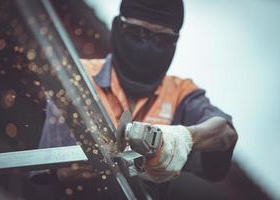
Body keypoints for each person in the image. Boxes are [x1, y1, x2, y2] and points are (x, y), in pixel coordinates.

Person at [32, 0, 238, 199]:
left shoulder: (180, 94)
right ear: (118, 27)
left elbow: (225, 134)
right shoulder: (78, 77)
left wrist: (184, 137)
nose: (148, 45)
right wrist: (113, 164)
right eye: (138, 33)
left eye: (162, 39)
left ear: (174, 42)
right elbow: (52, 172)